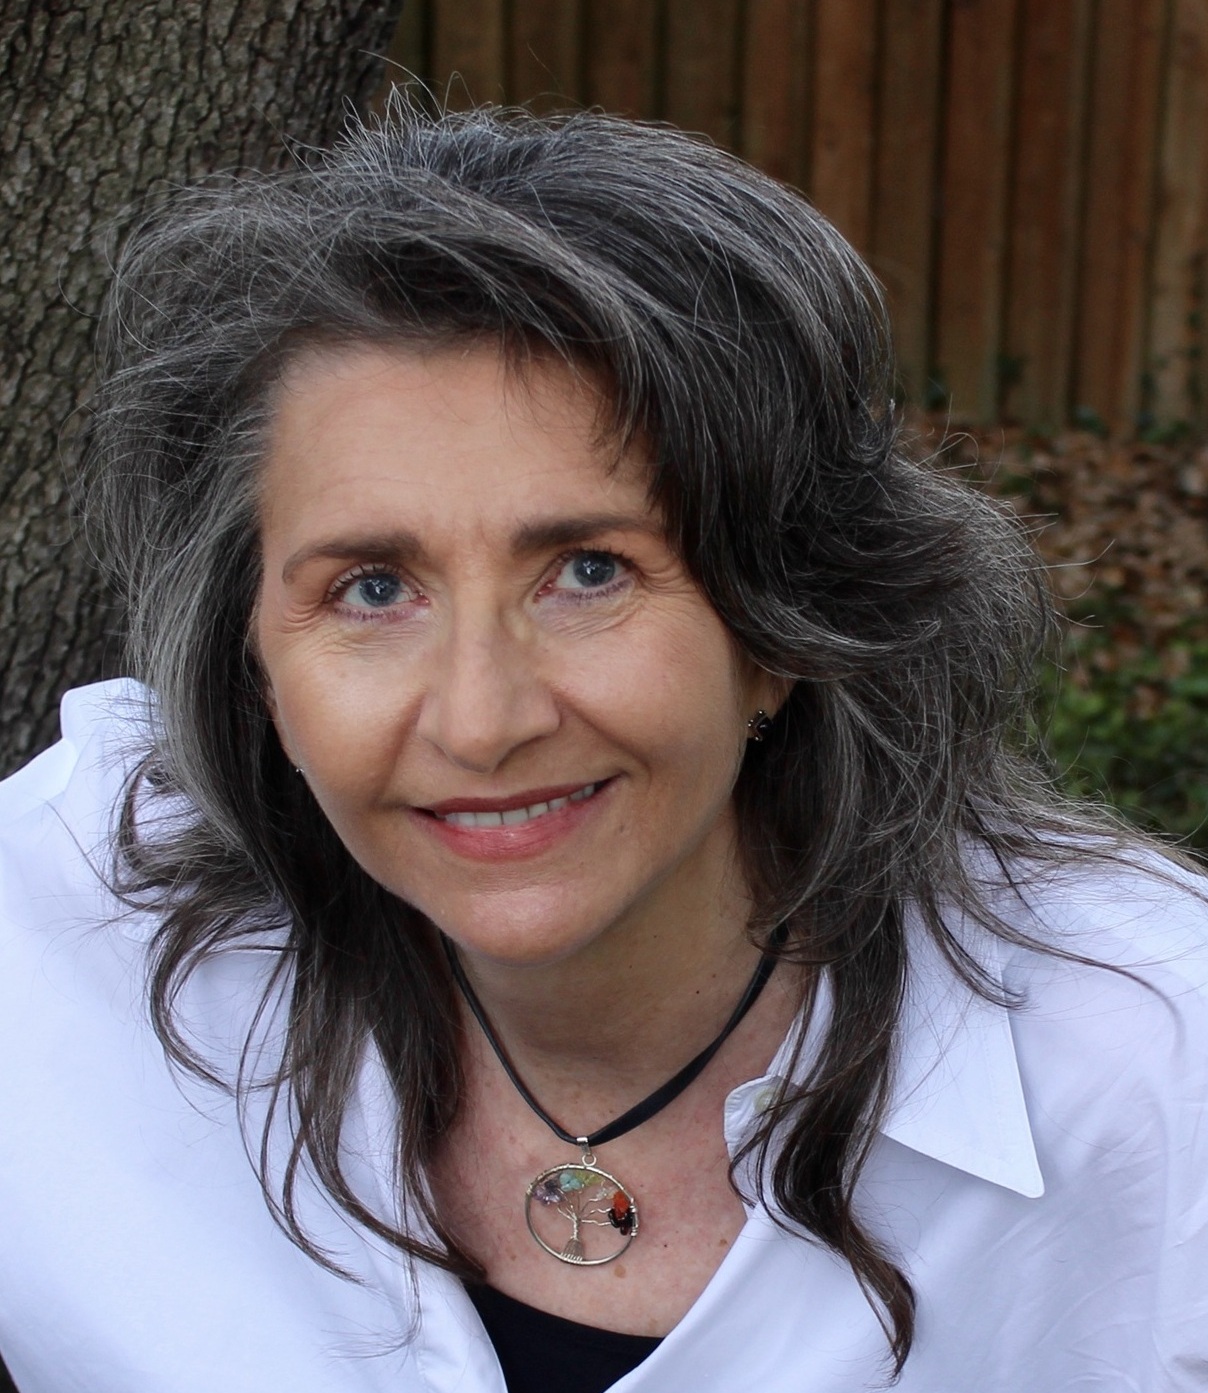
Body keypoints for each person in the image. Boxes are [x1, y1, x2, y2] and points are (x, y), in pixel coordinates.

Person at [0, 100, 1205, 1393]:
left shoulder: (1156, 1062)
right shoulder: (56, 926)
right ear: (252, 660)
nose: (480, 719)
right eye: (371, 588)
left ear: (784, 623)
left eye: (588, 570)